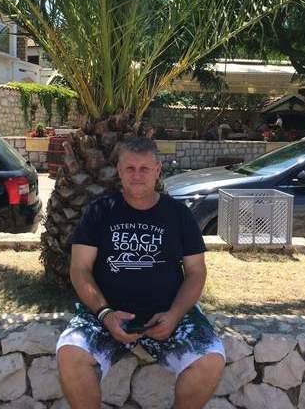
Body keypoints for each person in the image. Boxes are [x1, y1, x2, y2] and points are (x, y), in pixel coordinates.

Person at [56, 137, 225, 409]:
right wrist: (105, 313)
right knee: (69, 355)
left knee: (210, 360)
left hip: (168, 315)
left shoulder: (179, 214)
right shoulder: (98, 211)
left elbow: (196, 272)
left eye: (145, 168)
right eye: (130, 168)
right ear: (119, 171)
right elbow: (80, 268)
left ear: (158, 170)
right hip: (106, 314)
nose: (137, 175)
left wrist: (174, 315)